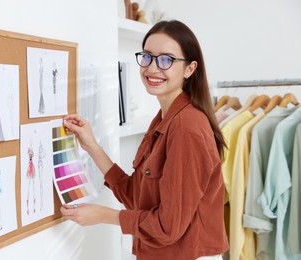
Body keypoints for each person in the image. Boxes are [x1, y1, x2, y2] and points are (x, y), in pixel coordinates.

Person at [61, 20, 229, 260]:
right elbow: (137, 198)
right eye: (148, 57)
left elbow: (167, 227)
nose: (152, 68)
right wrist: (92, 147)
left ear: (190, 69)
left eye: (166, 60)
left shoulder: (186, 127)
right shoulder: (164, 118)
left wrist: (103, 216)